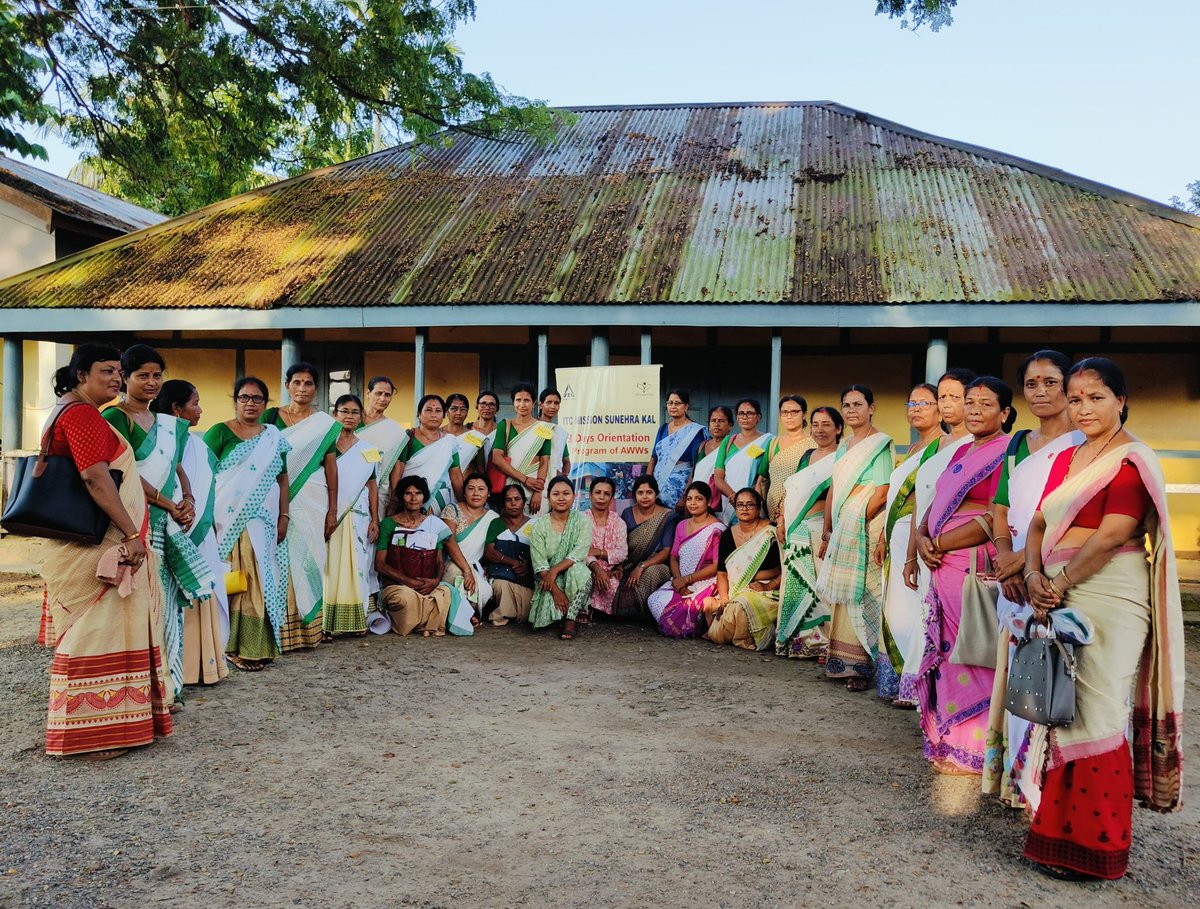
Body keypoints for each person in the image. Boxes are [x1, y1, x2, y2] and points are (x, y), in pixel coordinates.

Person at [1020, 358, 1182, 880]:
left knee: (1098, 712)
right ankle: (1053, 839)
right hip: (1056, 591)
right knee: (1061, 709)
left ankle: (1097, 850)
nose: (1083, 407)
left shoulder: (1131, 460)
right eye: (1076, 398)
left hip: (1109, 594)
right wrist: (1031, 574)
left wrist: (1059, 585)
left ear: (1120, 400)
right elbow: (1040, 522)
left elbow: (1113, 533)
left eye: (1095, 397)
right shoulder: (1073, 457)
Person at [40, 344, 173, 759]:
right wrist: (132, 534)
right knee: (94, 632)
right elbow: (96, 478)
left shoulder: (76, 411)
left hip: (97, 536)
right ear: (81, 375)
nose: (117, 378)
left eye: (119, 371)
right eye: (106, 371)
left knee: (106, 628)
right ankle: (92, 734)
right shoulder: (79, 414)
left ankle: (116, 725)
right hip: (100, 542)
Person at [982, 351, 1082, 807]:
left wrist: (1027, 561)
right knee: (1020, 674)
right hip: (1014, 575)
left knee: (1058, 675)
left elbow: (1072, 516)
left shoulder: (1085, 444)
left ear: (1068, 386)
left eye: (1050, 382)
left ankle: (1050, 788)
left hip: (1055, 574)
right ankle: (1017, 784)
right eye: (1031, 383)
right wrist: (1005, 557)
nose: (1040, 392)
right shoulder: (1018, 444)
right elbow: (1000, 507)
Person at [912, 376, 1014, 774]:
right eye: (969, 403)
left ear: (1005, 413)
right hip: (942, 559)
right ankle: (945, 737)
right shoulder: (962, 451)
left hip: (970, 562)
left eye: (985, 404)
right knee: (946, 649)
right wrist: (922, 535)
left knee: (971, 648)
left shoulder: (1007, 452)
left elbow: (995, 517)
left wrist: (940, 543)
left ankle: (971, 748)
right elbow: (936, 501)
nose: (973, 410)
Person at [103, 345, 212, 705]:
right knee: (138, 603)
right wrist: (169, 504)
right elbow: (124, 474)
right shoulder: (117, 418)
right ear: (125, 378)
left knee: (165, 605)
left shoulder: (168, 424)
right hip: (136, 523)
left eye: (156, 375)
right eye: (142, 375)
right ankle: (139, 691)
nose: (151, 382)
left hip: (167, 525)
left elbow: (177, 467)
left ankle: (167, 686)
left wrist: (189, 500)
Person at [204, 377, 290, 672]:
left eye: (257, 399)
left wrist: (284, 516)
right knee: (238, 580)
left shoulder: (273, 437)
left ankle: (258, 644)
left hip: (264, 523)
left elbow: (282, 478)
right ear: (235, 400)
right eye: (244, 398)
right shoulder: (219, 432)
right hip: (227, 521)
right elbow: (204, 475)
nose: (250, 403)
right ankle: (233, 645)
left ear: (266, 404)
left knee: (262, 580)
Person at [900, 368, 976, 689]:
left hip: (955, 551)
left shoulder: (977, 443)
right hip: (924, 546)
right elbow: (920, 499)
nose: (946, 404)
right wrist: (911, 552)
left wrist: (935, 542)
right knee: (924, 621)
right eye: (942, 397)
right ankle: (924, 690)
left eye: (954, 397)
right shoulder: (936, 445)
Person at [817, 385, 894, 691]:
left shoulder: (880, 444)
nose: (851, 410)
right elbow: (835, 486)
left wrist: (855, 520)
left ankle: (861, 667)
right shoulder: (845, 444)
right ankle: (841, 660)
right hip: (843, 523)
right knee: (842, 595)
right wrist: (830, 526)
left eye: (858, 404)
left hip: (867, 523)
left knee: (863, 592)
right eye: (846, 405)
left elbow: (883, 490)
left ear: (871, 408)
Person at [152, 379, 230, 686]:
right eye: (195, 403)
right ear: (176, 408)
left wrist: (190, 503)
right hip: (168, 527)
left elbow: (201, 484)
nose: (200, 409)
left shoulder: (196, 443)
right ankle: (177, 668)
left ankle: (202, 666)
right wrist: (178, 509)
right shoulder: (161, 437)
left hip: (197, 526)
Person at [874, 383, 944, 705]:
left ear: (940, 408)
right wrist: (881, 537)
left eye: (924, 403)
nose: (915, 409)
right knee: (895, 607)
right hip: (895, 535)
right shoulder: (913, 449)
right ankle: (896, 679)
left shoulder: (944, 446)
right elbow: (893, 497)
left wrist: (915, 547)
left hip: (916, 537)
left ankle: (916, 681)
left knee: (915, 609)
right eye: (911, 403)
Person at [263, 362, 339, 651]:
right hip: (275, 499)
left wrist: (332, 510)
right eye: (297, 383)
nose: (302, 389)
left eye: (308, 384)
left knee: (308, 560)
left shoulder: (324, 424)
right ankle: (278, 628)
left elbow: (331, 468)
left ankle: (307, 632)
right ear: (287, 386)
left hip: (313, 499)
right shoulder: (271, 416)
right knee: (277, 561)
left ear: (316, 389)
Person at [775, 405, 843, 659]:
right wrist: (782, 519)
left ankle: (821, 641)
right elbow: (793, 490)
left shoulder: (843, 456)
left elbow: (837, 497)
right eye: (815, 424)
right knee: (795, 579)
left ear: (838, 428)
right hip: (794, 525)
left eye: (826, 424)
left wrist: (827, 531)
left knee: (818, 584)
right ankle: (796, 639)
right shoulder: (807, 455)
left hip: (820, 528)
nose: (820, 429)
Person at [376, 476, 476, 636]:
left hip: (426, 584)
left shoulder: (433, 524)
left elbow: (439, 560)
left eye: (418, 493)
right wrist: (408, 581)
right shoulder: (389, 524)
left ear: (424, 497)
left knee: (445, 593)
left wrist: (435, 580)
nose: (414, 498)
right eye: (408, 493)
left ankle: (423, 623)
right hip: (398, 585)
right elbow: (380, 564)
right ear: (401, 497)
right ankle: (428, 624)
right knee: (404, 598)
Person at [323, 395, 381, 638]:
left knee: (357, 566)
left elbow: (372, 486)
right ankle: (324, 624)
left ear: (361, 417)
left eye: (355, 412)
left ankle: (356, 621)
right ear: (335, 414)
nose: (349, 416)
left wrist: (375, 519)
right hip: (330, 513)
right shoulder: (325, 446)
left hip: (358, 515)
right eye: (344, 411)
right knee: (328, 566)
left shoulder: (368, 450)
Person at [702, 488, 781, 650]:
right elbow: (722, 572)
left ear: (758, 507)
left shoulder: (772, 532)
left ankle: (729, 635)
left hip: (768, 590)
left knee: (739, 606)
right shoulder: (728, 535)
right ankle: (726, 631)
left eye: (749, 505)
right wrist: (724, 599)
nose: (744, 509)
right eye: (740, 505)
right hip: (736, 588)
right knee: (716, 604)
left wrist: (768, 585)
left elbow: (786, 567)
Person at [647, 481, 725, 638]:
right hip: (680, 579)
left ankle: (694, 625)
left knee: (687, 608)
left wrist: (688, 579)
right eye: (689, 499)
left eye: (698, 498)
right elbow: (674, 557)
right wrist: (679, 581)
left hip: (705, 580)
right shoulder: (681, 525)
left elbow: (717, 565)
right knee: (654, 600)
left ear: (709, 502)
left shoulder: (717, 529)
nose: (693, 503)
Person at [528, 476, 593, 639]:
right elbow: (539, 562)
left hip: (571, 575)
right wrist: (556, 591)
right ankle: (563, 612)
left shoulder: (582, 522)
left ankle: (571, 620)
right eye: (556, 494)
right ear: (548, 498)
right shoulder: (539, 526)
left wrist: (554, 570)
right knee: (551, 610)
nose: (561, 498)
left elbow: (579, 553)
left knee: (579, 571)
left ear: (574, 496)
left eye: (566, 493)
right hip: (548, 579)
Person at [615, 475, 679, 620]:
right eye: (640, 493)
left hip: (656, 564)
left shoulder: (667, 516)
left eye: (649, 492)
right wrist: (619, 566)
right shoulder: (627, 513)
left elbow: (667, 551)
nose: (644, 497)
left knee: (652, 573)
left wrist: (642, 566)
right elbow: (621, 544)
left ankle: (644, 613)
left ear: (656, 494)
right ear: (635, 495)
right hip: (628, 564)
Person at [391, 394, 465, 515]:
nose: (434, 415)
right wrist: (394, 499)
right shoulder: (408, 437)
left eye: (438, 411)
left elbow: (456, 475)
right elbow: (397, 470)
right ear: (419, 414)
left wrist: (464, 505)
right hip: (410, 498)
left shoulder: (449, 441)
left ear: (444, 415)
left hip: (440, 500)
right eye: (428, 410)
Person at [439, 472, 497, 621]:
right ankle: (463, 614)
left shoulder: (493, 518)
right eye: (471, 488)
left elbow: (492, 547)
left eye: (481, 489)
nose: (476, 493)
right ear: (464, 493)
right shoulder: (452, 510)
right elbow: (448, 540)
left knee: (487, 588)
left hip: (475, 566)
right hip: (450, 562)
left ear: (488, 493)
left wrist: (484, 567)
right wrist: (466, 570)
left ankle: (467, 612)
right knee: (456, 573)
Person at [490, 383, 551, 513]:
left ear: (533, 403)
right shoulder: (504, 425)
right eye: (518, 400)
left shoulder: (544, 428)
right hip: (509, 487)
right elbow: (497, 458)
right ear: (513, 403)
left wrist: (538, 492)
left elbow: (544, 462)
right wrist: (525, 479)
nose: (522, 405)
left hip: (535, 487)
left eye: (527, 400)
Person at [712, 398, 773, 523]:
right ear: (737, 417)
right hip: (729, 503)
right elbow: (718, 477)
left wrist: (747, 501)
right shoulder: (728, 441)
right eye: (741, 413)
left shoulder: (768, 441)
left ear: (758, 417)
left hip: (754, 503)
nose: (745, 417)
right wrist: (734, 497)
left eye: (750, 413)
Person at [482, 485, 535, 625]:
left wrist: (529, 566)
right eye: (508, 500)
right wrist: (514, 563)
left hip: (528, 579)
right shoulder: (496, 523)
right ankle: (509, 613)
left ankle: (512, 613)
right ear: (503, 504)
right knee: (500, 585)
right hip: (503, 578)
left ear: (524, 502)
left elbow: (543, 553)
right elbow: (489, 551)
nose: (513, 503)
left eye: (517, 499)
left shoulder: (535, 524)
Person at [648, 389, 707, 509]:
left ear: (686, 407)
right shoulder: (663, 428)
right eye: (670, 403)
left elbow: (697, 465)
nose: (673, 406)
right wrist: (647, 486)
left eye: (677, 403)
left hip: (680, 490)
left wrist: (686, 495)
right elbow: (654, 458)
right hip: (657, 488)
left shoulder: (694, 432)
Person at [762, 395, 815, 523]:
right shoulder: (773, 443)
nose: (789, 416)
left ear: (804, 414)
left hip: (801, 511)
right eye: (785, 412)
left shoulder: (814, 444)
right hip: (771, 511)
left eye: (794, 412)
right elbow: (762, 479)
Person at [584, 477, 628, 618]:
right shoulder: (580, 520)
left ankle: (597, 611)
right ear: (590, 494)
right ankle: (583, 609)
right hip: (585, 567)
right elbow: (579, 550)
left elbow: (622, 553)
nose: (601, 497)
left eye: (606, 494)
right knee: (582, 578)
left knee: (612, 586)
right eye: (598, 492)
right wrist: (596, 568)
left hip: (610, 571)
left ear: (612, 497)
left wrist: (599, 552)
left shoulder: (619, 522)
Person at [692, 405, 732, 515]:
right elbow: (693, 473)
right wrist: (686, 495)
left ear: (730, 426)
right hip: (697, 499)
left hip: (720, 502)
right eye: (713, 420)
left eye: (721, 421)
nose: (717, 424)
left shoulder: (731, 447)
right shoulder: (702, 446)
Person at [539, 387, 572, 481]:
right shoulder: (533, 427)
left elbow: (566, 461)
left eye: (556, 403)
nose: (553, 407)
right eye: (549, 402)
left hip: (554, 483)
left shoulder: (560, 432)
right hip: (534, 481)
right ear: (540, 405)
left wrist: (562, 477)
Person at [467, 390, 501, 475]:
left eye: (491, 404)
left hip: (496, 478)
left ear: (497, 408)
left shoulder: (502, 430)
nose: (487, 408)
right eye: (483, 403)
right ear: (477, 406)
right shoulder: (468, 429)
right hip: (472, 480)